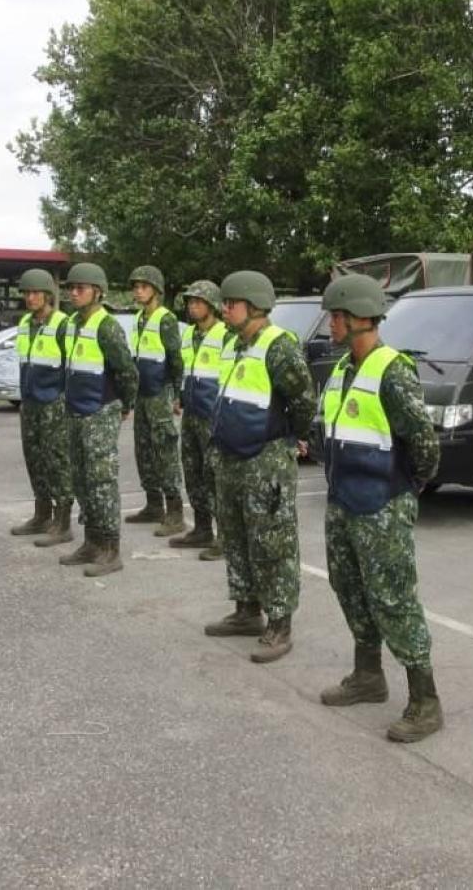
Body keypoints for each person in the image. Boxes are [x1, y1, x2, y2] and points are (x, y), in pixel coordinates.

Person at [318, 273, 444, 743]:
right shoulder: (342, 369)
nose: (331, 324)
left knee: (394, 598)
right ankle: (368, 675)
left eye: (337, 315)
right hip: (342, 500)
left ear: (362, 318)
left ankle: (425, 700)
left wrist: (405, 490)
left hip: (382, 504)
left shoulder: (393, 370)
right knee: (349, 586)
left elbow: (424, 446)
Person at [204, 271, 316, 663]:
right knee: (235, 536)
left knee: (273, 542)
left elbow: (303, 400)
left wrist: (292, 437)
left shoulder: (279, 347)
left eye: (231, 303)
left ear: (253, 306)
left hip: (264, 460)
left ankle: (280, 622)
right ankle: (246, 610)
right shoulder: (234, 344)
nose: (224, 309)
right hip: (232, 457)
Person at [57, 262, 139, 576]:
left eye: (80, 288)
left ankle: (110, 548)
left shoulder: (107, 326)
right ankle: (92, 542)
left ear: (97, 292)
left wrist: (125, 404)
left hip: (100, 410)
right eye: (71, 288)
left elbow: (127, 371)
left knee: (101, 480)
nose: (73, 293)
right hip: (76, 410)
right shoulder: (73, 325)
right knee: (80, 478)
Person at [9, 269, 75, 548]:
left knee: (57, 461)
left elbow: (73, 367)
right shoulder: (25, 323)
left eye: (35, 292)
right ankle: (41, 514)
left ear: (48, 294)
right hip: (30, 402)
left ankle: (62, 522)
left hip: (54, 403)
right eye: (27, 293)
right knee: (34, 459)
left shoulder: (62, 324)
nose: (30, 297)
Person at [123, 265, 186, 539]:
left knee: (165, 452)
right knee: (144, 450)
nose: (138, 291)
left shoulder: (166, 319)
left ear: (156, 291)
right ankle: (152, 504)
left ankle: (175, 512)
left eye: (144, 286)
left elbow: (176, 359)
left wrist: (177, 394)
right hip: (142, 395)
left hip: (160, 394)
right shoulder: (138, 318)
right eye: (136, 286)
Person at [170, 279, 229, 559]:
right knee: (193, 473)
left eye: (198, 302)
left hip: (213, 416)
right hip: (191, 414)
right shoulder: (189, 335)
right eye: (190, 302)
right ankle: (202, 528)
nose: (192, 307)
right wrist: (180, 395)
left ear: (212, 305)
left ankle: (224, 536)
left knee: (215, 475)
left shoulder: (225, 335)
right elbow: (187, 371)